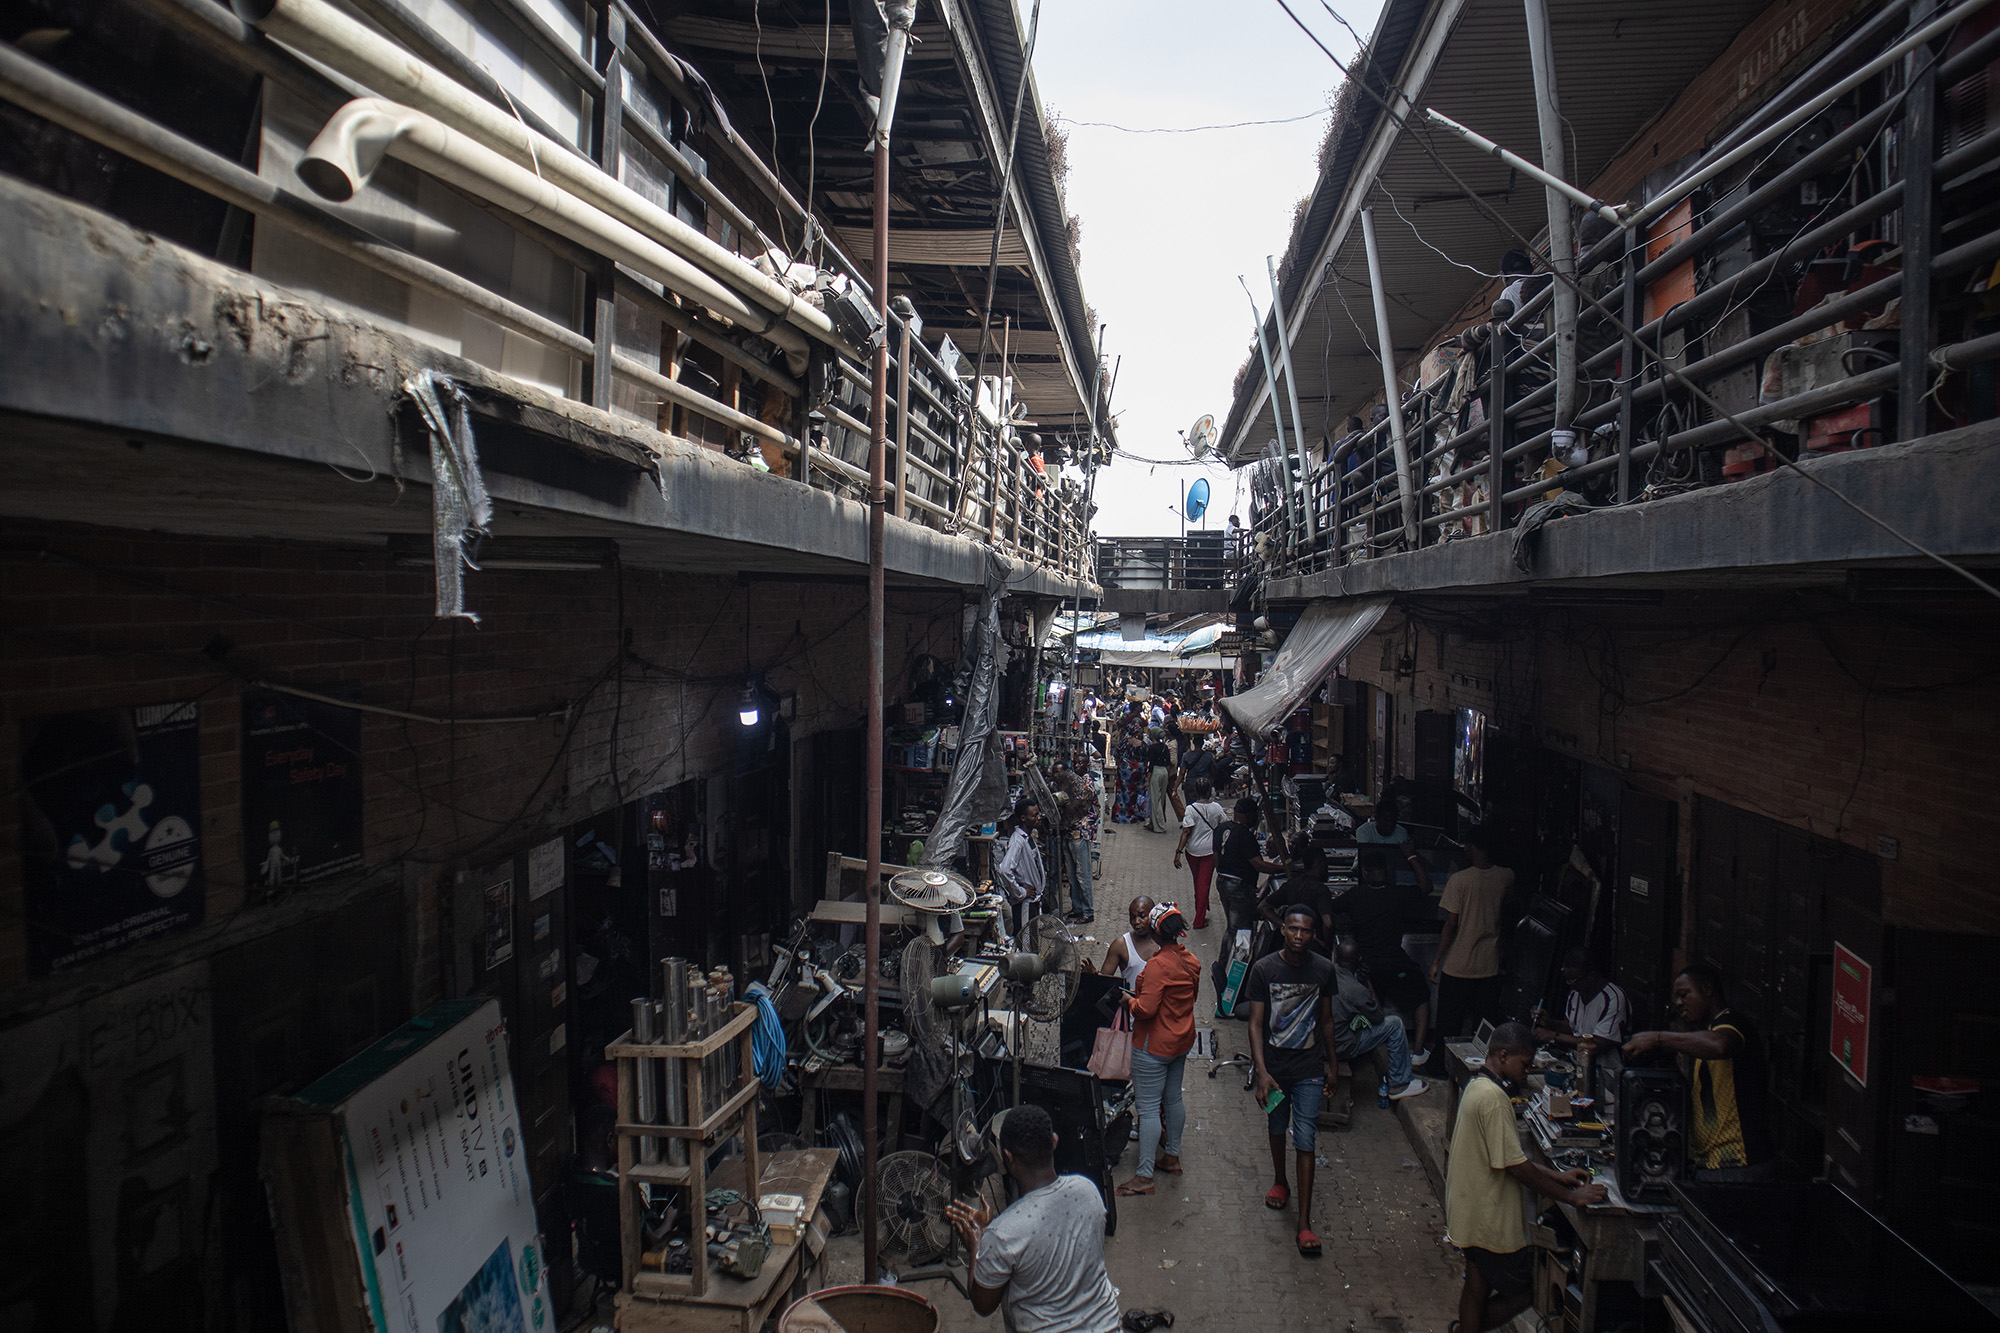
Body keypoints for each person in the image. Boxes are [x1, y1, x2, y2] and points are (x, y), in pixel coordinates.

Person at [1447, 1021, 1607, 1331]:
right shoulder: (1494, 1100)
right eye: (1526, 1062)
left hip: (1469, 1212)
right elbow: (1516, 1167)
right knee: (1524, 1294)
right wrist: (1573, 1197)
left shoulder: (1478, 1085)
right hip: (1488, 1221)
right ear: (1504, 1056)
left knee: (1477, 1285)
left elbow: (1509, 1158)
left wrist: (1556, 1176)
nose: (1529, 1069)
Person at [945, 1104, 1123, 1333]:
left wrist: (976, 1245)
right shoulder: (1088, 1191)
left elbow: (983, 1305)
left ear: (1007, 1157)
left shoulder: (1003, 1233)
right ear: (1055, 1142)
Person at [1245, 905, 1339, 1257]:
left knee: (1306, 1137)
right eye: (1293, 929)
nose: (1299, 936)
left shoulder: (1323, 969)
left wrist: (1333, 1064)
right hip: (1275, 1070)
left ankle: (1304, 1222)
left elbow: (1327, 1020)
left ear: (1314, 934)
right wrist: (1261, 1072)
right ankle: (1280, 1180)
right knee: (1276, 1125)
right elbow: (1254, 1023)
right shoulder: (1264, 969)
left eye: (1306, 931)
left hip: (1309, 1068)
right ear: (1283, 929)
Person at [1623, 965, 1774, 1180]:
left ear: (1707, 989)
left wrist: (1658, 1037)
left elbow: (1721, 1045)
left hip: (1739, 1165)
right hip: (1712, 1166)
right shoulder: (1705, 1035)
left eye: (1684, 995)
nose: (1678, 1003)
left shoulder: (1732, 1024)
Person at [1117, 902, 1202, 1196]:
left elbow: (1144, 1010)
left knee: (1149, 1109)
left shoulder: (1156, 966)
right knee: (1173, 1099)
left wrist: (1128, 1001)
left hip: (1153, 1046)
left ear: (1155, 933)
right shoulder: (1190, 961)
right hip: (1181, 1042)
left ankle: (1144, 1176)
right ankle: (1172, 1157)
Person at [1332, 847, 1431, 1064]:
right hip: (1397, 966)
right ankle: (1419, 1051)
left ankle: (1373, 1051)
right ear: (1386, 871)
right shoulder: (1397, 894)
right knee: (1422, 997)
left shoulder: (1355, 895)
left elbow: (1329, 906)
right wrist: (1412, 856)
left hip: (1367, 968)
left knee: (1369, 1009)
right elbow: (1426, 887)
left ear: (1365, 873)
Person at [1430, 827, 1514, 1041]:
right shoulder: (1506, 876)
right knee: (1483, 1024)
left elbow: (1450, 924)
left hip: (1459, 965)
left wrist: (1437, 959)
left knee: (1449, 1022)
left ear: (1471, 847)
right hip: (1488, 965)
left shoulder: (1459, 881)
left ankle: (1440, 1064)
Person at [1328, 938, 1428, 1102]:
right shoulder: (1356, 990)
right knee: (1394, 1024)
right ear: (1359, 960)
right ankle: (1399, 1083)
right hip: (1341, 1046)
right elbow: (1378, 1016)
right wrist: (1368, 982)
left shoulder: (1327, 973)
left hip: (1322, 1044)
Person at [1211, 797, 1285, 1007]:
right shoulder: (1245, 836)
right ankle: (1235, 976)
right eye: (1254, 815)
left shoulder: (1222, 829)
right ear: (1247, 814)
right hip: (1239, 887)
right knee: (1242, 931)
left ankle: (1222, 964)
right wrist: (1284, 868)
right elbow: (1259, 865)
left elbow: (1216, 858)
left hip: (1223, 882)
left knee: (1232, 927)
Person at [1535, 948, 1630, 1051]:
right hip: (1576, 1060)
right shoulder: (1575, 993)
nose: (1569, 983)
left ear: (1591, 976)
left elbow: (1599, 1043)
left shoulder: (1613, 998)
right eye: (1566, 978)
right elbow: (1570, 1028)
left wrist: (1554, 1036)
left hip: (1605, 1066)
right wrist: (1549, 1023)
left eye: (1573, 980)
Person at [1173, 779, 1227, 930]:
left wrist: (1178, 852)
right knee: (1204, 884)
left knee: (1198, 882)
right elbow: (1224, 824)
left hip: (1192, 852)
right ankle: (1200, 917)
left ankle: (1200, 914)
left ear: (1195, 791)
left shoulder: (1191, 809)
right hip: (1210, 852)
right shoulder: (1216, 808)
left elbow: (1186, 831)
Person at [1048, 758, 1097, 924]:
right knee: (1071, 874)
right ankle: (1077, 908)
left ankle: (1088, 911)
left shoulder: (1080, 784)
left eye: (1059, 772)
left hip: (1079, 833)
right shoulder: (1057, 785)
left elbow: (1082, 804)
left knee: (1083, 874)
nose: (1056, 776)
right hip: (1066, 832)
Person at [995, 799, 1046, 938]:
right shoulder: (1017, 841)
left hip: (1034, 901)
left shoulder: (1027, 838)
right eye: (1034, 816)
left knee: (1032, 939)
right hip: (1025, 904)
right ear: (1023, 818)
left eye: (1038, 814)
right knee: (1025, 941)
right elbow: (1005, 869)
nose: (1038, 818)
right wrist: (1021, 892)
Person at [1355, 796, 1427, 886]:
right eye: (1386, 820)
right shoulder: (1363, 831)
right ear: (1377, 818)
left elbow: (1398, 861)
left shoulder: (1401, 833)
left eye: (1393, 821)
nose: (1390, 825)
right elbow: (1368, 859)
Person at [1098, 895, 1159, 987]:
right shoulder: (1121, 945)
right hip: (1132, 1000)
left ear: (1153, 916)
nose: (1136, 922)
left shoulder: (1164, 941)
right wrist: (1092, 975)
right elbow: (1103, 980)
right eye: (1132, 917)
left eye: (1142, 916)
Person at [1144, 729, 1174, 834]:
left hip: (1156, 771)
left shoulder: (1152, 748)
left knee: (1154, 799)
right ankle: (1153, 823)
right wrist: (1167, 774)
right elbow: (1169, 763)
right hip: (1164, 771)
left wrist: (1147, 780)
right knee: (1161, 799)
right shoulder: (1165, 747)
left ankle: (1159, 826)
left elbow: (1151, 764)